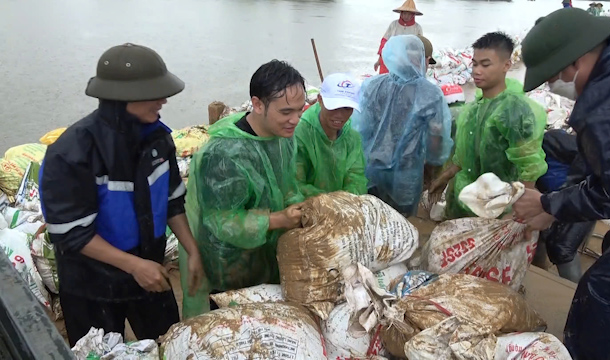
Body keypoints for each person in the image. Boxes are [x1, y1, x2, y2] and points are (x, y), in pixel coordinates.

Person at [38, 43, 205, 346]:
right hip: (92, 282)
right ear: (123, 98)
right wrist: (133, 266)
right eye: (154, 93)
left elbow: (172, 200)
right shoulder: (71, 152)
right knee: (98, 350)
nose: (164, 100)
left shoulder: (158, 138)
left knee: (168, 343)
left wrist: (192, 250)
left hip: (150, 271)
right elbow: (72, 234)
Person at [515, 8, 610, 359]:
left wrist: (547, 205)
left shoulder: (606, 102)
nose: (556, 86)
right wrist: (554, 204)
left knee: (600, 285)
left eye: (554, 77)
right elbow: (597, 163)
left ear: (578, 61)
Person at [181, 60, 306, 318]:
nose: (295, 120)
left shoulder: (283, 137)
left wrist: (300, 204)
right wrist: (278, 219)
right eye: (285, 112)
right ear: (258, 104)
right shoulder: (224, 154)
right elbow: (221, 220)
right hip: (229, 262)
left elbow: (287, 184)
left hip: (267, 252)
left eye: (299, 110)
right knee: (232, 322)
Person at [429, 32, 547, 220]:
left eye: (485, 65)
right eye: (474, 64)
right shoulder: (473, 109)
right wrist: (445, 177)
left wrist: (518, 213)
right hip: (463, 200)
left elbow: (529, 168)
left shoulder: (515, 111)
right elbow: (464, 156)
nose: (476, 71)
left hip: (496, 208)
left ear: (506, 65)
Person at [354, 35, 453, 216]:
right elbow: (436, 140)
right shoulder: (430, 94)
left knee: (371, 219)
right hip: (405, 175)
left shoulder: (373, 85)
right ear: (423, 59)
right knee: (400, 226)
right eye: (427, 62)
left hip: (370, 168)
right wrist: (432, 172)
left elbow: (360, 129)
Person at [534, 130, 594, 283]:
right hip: (555, 197)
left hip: (583, 198)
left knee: (562, 248)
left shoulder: (554, 140)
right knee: (539, 233)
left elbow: (593, 158)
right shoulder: (515, 156)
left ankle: (574, 293)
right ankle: (538, 275)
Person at [295, 73, 367, 197]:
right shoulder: (300, 133)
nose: (340, 115)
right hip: (308, 207)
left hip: (344, 206)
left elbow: (356, 177)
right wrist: (328, 202)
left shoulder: (352, 137)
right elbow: (295, 184)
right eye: (334, 107)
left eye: (346, 108)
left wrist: (345, 199)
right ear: (320, 100)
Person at [374, 0, 424, 75]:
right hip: (391, 58)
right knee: (386, 80)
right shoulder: (394, 25)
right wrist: (379, 60)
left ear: (413, 15)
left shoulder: (417, 28)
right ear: (401, 13)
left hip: (407, 61)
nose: (406, 16)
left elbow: (419, 47)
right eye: (404, 13)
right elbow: (384, 42)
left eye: (409, 14)